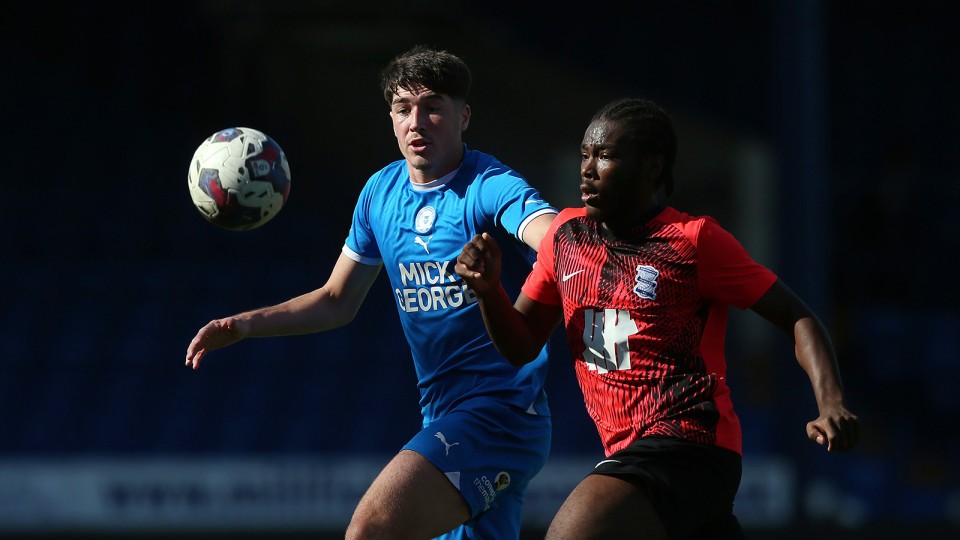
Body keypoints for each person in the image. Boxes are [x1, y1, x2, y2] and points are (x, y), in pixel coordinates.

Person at [185, 45, 558, 539]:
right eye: (404, 109)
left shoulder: (488, 185)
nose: (416, 122)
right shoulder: (380, 193)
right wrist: (245, 324)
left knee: (370, 530)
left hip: (500, 412)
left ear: (463, 116)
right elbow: (337, 299)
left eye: (433, 108)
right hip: (443, 412)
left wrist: (570, 243)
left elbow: (551, 235)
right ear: (391, 117)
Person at [455, 97, 860, 539]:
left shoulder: (693, 240)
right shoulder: (563, 237)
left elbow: (796, 316)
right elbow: (520, 345)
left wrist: (832, 402)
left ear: (651, 166)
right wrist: (489, 291)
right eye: (584, 156)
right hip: (630, 452)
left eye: (606, 156)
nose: (587, 169)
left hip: (691, 444)